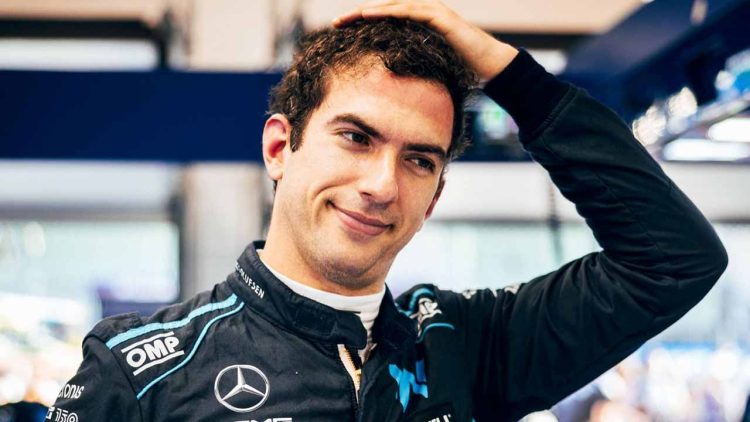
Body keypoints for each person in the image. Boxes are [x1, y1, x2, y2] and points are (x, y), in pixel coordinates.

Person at [48, 1, 727, 421]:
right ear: (281, 147)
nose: (381, 184)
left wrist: (511, 76)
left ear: (435, 198)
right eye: (356, 137)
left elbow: (674, 261)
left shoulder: (463, 345)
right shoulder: (139, 372)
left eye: (419, 160)